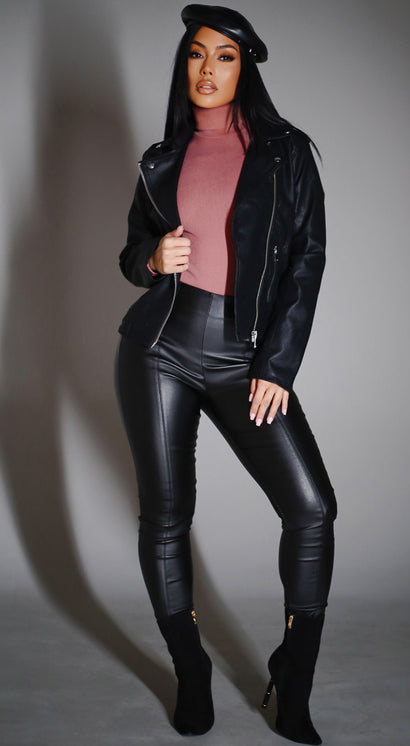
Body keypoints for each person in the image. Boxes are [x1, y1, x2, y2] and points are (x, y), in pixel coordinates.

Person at [115, 5, 337, 744]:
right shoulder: (162, 157)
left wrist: (277, 365)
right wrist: (152, 259)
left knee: (311, 508)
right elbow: (131, 256)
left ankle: (293, 681)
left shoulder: (285, 151)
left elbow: (306, 259)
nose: (207, 70)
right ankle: (191, 670)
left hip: (246, 354)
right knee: (165, 517)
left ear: (246, 69)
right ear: (182, 65)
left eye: (225, 57)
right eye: (195, 55)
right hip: (159, 349)